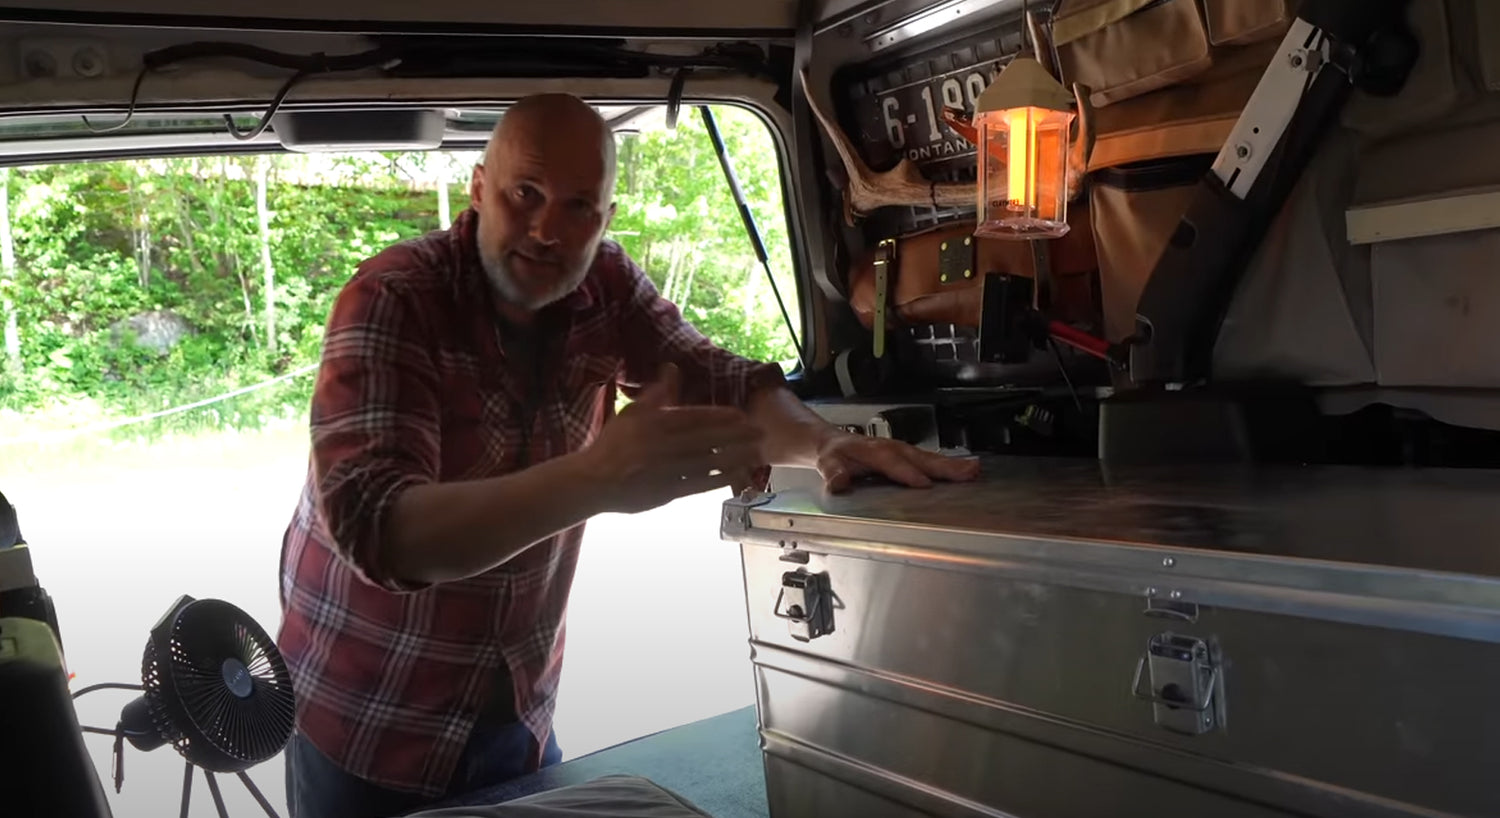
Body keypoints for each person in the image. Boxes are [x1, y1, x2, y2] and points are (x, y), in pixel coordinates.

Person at [276, 92, 979, 818]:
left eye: (580, 206)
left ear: (606, 219)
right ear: (480, 188)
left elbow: (723, 383)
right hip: (364, 720)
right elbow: (379, 530)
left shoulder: (602, 285)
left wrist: (826, 442)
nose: (550, 229)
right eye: (526, 193)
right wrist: (597, 477)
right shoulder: (394, 297)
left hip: (516, 715)